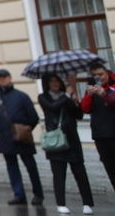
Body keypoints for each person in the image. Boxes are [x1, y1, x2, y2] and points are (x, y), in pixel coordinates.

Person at [39, 73, 94, 215]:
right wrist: (67, 97)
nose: (55, 83)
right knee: (58, 174)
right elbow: (53, 107)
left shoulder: (67, 97)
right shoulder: (43, 97)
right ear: (47, 83)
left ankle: (87, 203)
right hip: (55, 141)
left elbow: (79, 115)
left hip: (72, 140)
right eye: (52, 81)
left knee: (80, 173)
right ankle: (61, 203)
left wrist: (75, 101)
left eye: (57, 81)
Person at [0, 67, 45, 205]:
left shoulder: (21, 96)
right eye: (0, 77)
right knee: (12, 167)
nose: (2, 80)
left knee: (31, 166)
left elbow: (33, 117)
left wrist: (24, 129)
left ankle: (38, 194)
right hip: (5, 137)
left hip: (22, 138)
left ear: (10, 78)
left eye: (5, 77)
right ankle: (19, 194)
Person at [80, 59, 115, 191]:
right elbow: (85, 109)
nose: (99, 78)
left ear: (106, 72)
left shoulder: (113, 85)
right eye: (96, 75)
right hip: (101, 135)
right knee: (111, 169)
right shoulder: (92, 89)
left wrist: (105, 94)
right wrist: (89, 95)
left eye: (101, 74)